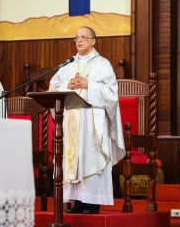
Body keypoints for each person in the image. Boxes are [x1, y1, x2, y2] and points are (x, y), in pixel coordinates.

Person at [48, 26, 125, 214]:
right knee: (75, 159)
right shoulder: (68, 65)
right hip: (72, 121)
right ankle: (78, 201)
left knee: (91, 158)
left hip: (92, 122)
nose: (79, 41)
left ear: (93, 41)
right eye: (76, 38)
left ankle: (92, 202)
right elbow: (53, 88)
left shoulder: (102, 64)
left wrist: (87, 84)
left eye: (83, 37)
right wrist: (67, 85)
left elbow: (111, 94)